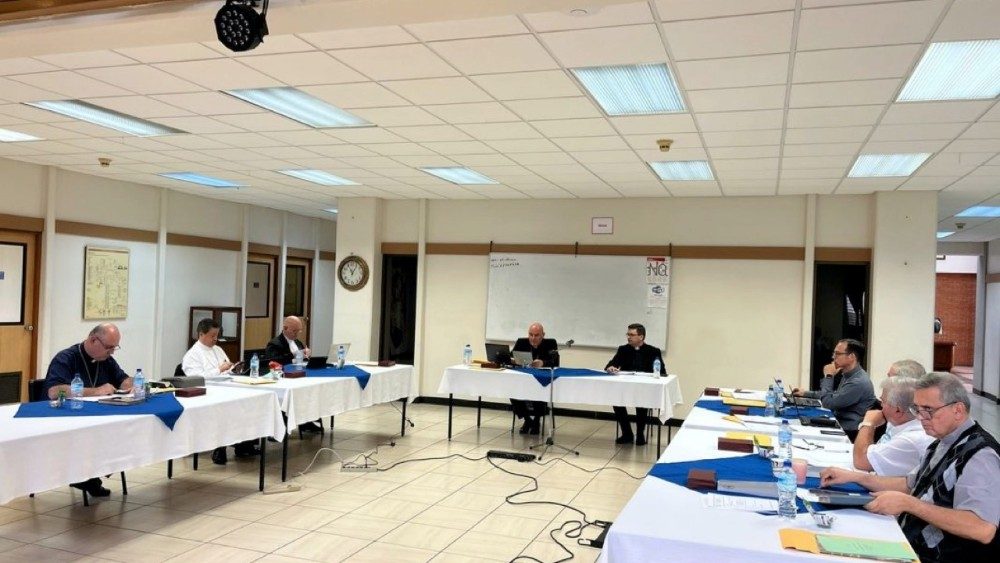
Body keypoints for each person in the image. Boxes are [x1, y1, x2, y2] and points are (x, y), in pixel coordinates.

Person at [819, 373, 999, 561]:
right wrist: (855, 477)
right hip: (910, 542)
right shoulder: (941, 442)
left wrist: (909, 504)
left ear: (958, 410)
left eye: (928, 410)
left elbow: (982, 528)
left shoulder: (980, 455)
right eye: (917, 409)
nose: (920, 418)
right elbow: (909, 484)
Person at [44, 323, 134, 497]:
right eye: (109, 347)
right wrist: (95, 391)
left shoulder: (106, 360)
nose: (112, 352)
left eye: (115, 348)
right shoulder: (66, 358)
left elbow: (122, 379)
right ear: (93, 340)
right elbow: (54, 391)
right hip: (66, 416)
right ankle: (82, 475)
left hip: (97, 416)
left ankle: (91, 475)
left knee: (121, 430)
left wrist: (130, 384)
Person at [183, 318, 257, 464]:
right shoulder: (192, 355)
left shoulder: (218, 350)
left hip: (225, 387)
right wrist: (219, 369)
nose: (215, 339)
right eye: (212, 335)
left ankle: (244, 444)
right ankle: (220, 447)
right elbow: (196, 379)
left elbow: (226, 368)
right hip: (206, 392)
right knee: (226, 407)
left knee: (247, 402)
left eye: (217, 335)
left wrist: (233, 369)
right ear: (201, 334)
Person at [793, 338, 875, 440]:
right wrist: (805, 393)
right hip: (838, 421)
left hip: (847, 431)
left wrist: (829, 376)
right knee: (799, 419)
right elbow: (832, 396)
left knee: (801, 429)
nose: (833, 357)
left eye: (837, 354)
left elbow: (828, 403)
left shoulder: (858, 382)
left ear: (852, 357)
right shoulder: (849, 375)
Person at [852, 376, 934, 476]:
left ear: (898, 410)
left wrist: (868, 423)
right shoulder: (904, 423)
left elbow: (860, 461)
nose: (881, 406)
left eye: (883, 402)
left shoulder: (910, 439)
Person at [605, 323, 665, 446]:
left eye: (632, 335)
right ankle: (627, 433)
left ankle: (640, 434)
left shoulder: (653, 351)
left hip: (645, 389)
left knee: (642, 402)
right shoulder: (623, 349)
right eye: (628, 334)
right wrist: (610, 368)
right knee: (617, 402)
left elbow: (663, 372)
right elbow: (610, 365)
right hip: (626, 387)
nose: (628, 337)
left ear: (641, 337)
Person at [265, 316, 322, 434]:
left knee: (309, 391)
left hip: (299, 374)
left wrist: (306, 354)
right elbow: (273, 360)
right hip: (284, 377)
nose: (297, 334)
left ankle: (306, 421)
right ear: (285, 328)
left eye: (299, 331)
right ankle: (283, 424)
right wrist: (294, 355)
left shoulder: (298, 342)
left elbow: (302, 357)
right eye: (294, 331)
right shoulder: (275, 343)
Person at [510, 322, 558, 435]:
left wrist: (543, 363)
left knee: (539, 390)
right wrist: (513, 360)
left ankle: (536, 420)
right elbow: (510, 357)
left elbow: (555, 362)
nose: (533, 338)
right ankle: (527, 420)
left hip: (541, 379)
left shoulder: (550, 344)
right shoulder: (521, 342)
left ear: (543, 335)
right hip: (523, 379)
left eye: (536, 335)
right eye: (530, 334)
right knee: (512, 390)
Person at [871, 359, 926, 441]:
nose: (886, 381)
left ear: (904, 382)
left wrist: (868, 424)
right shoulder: (896, 407)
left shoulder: (913, 431)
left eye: (890, 378)